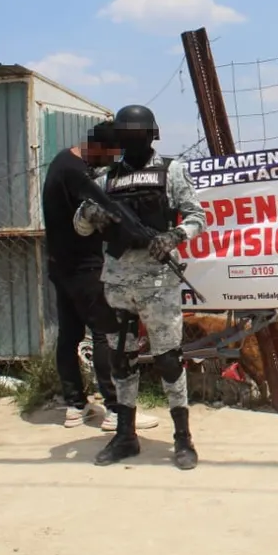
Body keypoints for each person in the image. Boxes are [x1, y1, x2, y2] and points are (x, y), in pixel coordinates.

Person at [73, 104, 206, 469]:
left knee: (168, 360)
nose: (132, 142)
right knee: (122, 359)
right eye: (126, 136)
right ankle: (125, 436)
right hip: (118, 284)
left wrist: (174, 236)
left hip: (159, 284)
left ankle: (182, 438)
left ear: (151, 137)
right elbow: (80, 226)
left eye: (138, 136)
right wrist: (90, 214)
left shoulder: (171, 172)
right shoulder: (104, 179)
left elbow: (197, 216)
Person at [41, 120, 158, 432]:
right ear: (95, 148)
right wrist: (142, 234)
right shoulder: (75, 172)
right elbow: (107, 207)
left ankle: (75, 405)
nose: (111, 162)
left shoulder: (63, 163)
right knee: (108, 333)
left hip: (61, 266)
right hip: (84, 268)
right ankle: (115, 409)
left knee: (70, 335)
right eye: (110, 155)